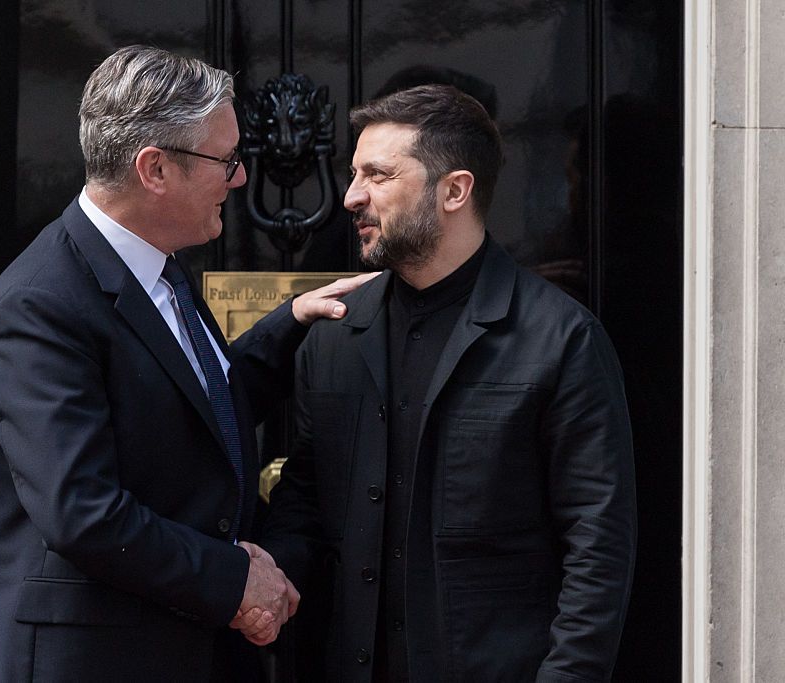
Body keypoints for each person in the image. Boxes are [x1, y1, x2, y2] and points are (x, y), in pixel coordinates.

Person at [0, 45, 373, 683]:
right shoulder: (40, 304)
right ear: (154, 168)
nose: (240, 178)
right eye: (226, 160)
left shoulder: (157, 266)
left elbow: (186, 410)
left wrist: (289, 322)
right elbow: (82, 512)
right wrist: (236, 581)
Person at [262, 84, 636, 681]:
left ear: (454, 190)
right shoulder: (334, 336)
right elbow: (303, 501)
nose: (352, 196)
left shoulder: (561, 339)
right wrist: (264, 585)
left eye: (378, 175)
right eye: (354, 174)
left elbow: (598, 542)